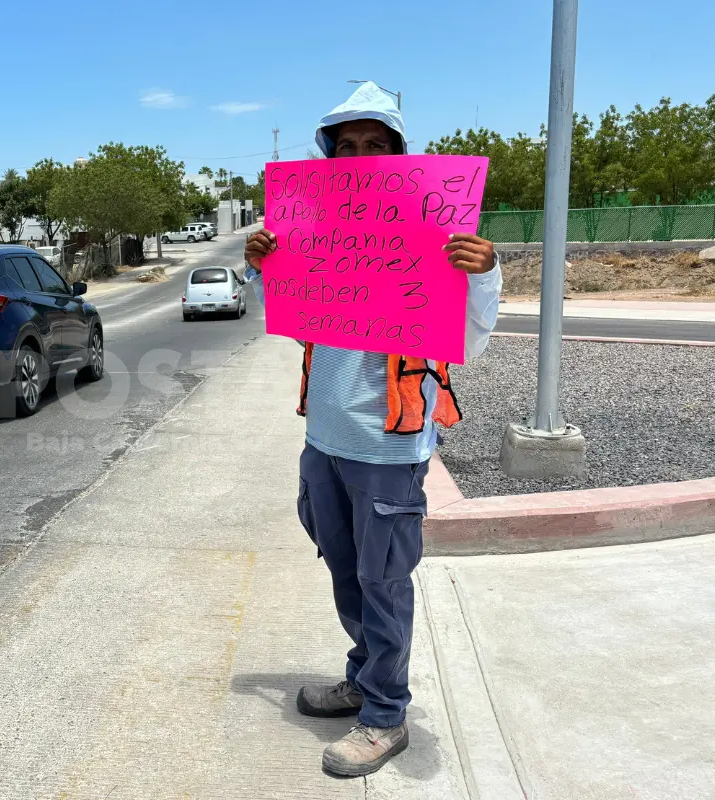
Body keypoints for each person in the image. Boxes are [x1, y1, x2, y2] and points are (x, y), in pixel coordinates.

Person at [243, 82, 501, 778]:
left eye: (374, 146)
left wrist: (484, 274)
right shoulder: (317, 233)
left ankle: (386, 716)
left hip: (387, 448)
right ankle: (365, 676)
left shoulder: (434, 239)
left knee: (384, 581)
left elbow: (469, 344)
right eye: (346, 146)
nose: (359, 157)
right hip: (325, 442)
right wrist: (264, 266)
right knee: (348, 575)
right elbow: (292, 321)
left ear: (397, 155)